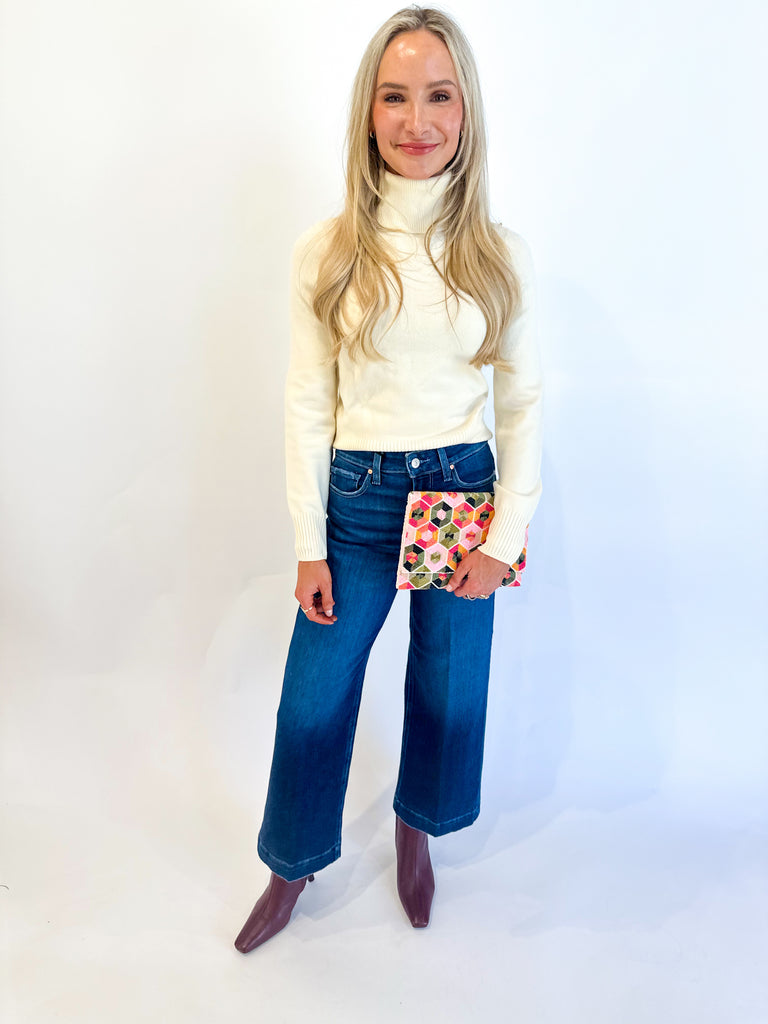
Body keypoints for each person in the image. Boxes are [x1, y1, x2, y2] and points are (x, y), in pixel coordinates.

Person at [234, 4, 542, 953]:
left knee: (449, 684)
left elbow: (522, 402)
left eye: (439, 96)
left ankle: (419, 831)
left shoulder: (497, 254)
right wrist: (308, 542)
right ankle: (291, 864)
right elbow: (307, 405)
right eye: (395, 96)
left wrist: (504, 538)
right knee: (315, 694)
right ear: (368, 114)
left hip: (461, 491)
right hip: (358, 501)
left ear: (466, 110)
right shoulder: (328, 253)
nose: (418, 121)